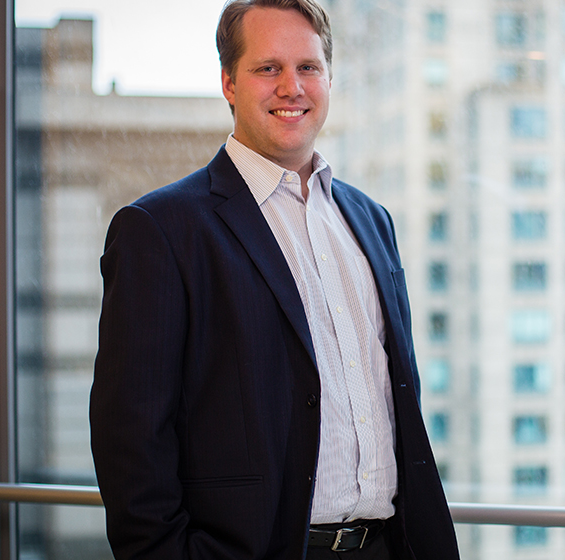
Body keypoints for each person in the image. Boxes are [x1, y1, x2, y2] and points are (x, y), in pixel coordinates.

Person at [88, 0, 460, 557]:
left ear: (329, 78)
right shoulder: (161, 230)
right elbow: (131, 441)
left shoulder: (371, 221)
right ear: (228, 83)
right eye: (268, 68)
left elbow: (397, 395)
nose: (292, 87)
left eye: (308, 67)